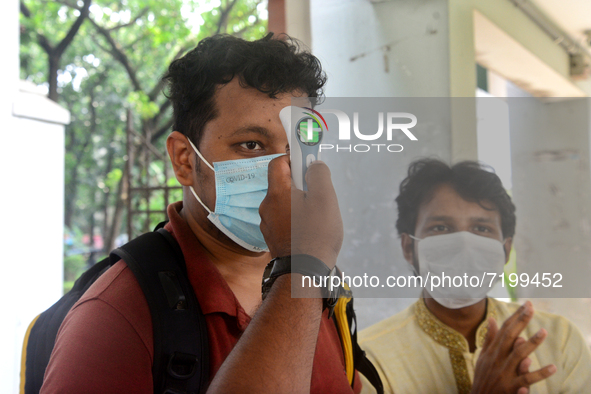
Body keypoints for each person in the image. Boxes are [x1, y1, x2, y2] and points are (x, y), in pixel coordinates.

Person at [41, 34, 554, 393]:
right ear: (183, 160)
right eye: (250, 144)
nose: (285, 170)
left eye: (299, 143)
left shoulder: (324, 292)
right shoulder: (118, 318)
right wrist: (300, 266)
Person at [358, 159, 591, 394]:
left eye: (481, 229)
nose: (464, 246)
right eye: (441, 227)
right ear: (409, 248)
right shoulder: (369, 359)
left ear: (506, 250)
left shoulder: (558, 341)